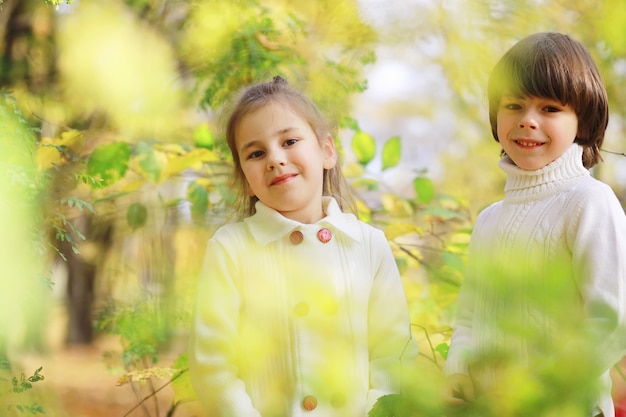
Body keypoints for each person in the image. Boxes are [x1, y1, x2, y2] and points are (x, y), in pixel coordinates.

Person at [189, 76, 417, 417]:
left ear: (326, 150)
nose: (275, 159)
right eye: (256, 152)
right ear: (246, 181)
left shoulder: (369, 245)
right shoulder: (231, 250)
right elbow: (213, 366)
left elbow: (393, 354)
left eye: (290, 140)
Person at [444, 32, 626, 417]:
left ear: (582, 120)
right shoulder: (489, 220)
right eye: (514, 105)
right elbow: (470, 315)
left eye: (549, 109)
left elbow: (611, 320)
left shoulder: (589, 202)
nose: (528, 121)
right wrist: (458, 368)